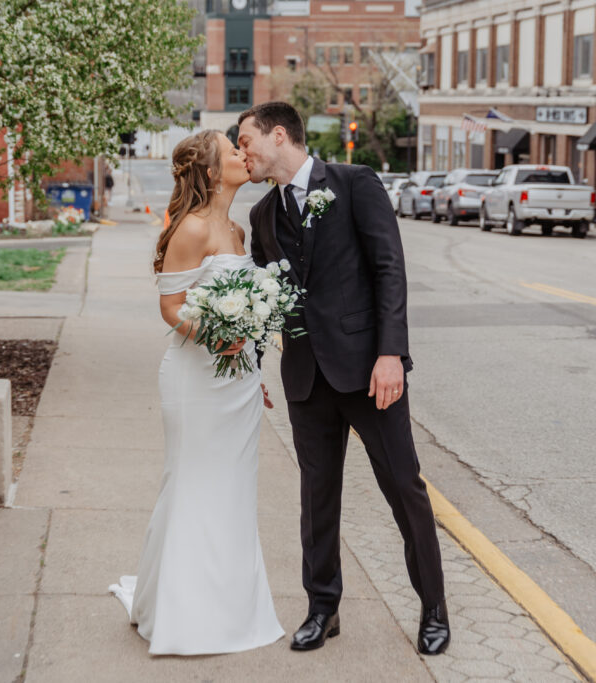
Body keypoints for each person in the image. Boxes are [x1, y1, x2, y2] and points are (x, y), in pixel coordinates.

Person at [237, 101, 450, 655]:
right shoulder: (263, 216)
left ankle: (433, 607)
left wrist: (391, 355)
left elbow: (388, 269)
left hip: (368, 372)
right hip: (306, 377)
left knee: (404, 488)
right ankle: (322, 607)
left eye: (246, 142)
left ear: (278, 135)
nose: (243, 154)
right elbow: (265, 300)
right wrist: (249, 367)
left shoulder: (355, 183)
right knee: (317, 497)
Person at [109, 130, 285, 655]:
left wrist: (249, 360)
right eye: (233, 151)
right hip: (195, 380)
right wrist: (220, 338)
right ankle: (185, 615)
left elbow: (246, 304)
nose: (243, 154)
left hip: (238, 384)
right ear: (211, 171)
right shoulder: (190, 228)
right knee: (191, 484)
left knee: (232, 491)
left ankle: (231, 608)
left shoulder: (236, 229)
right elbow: (170, 308)